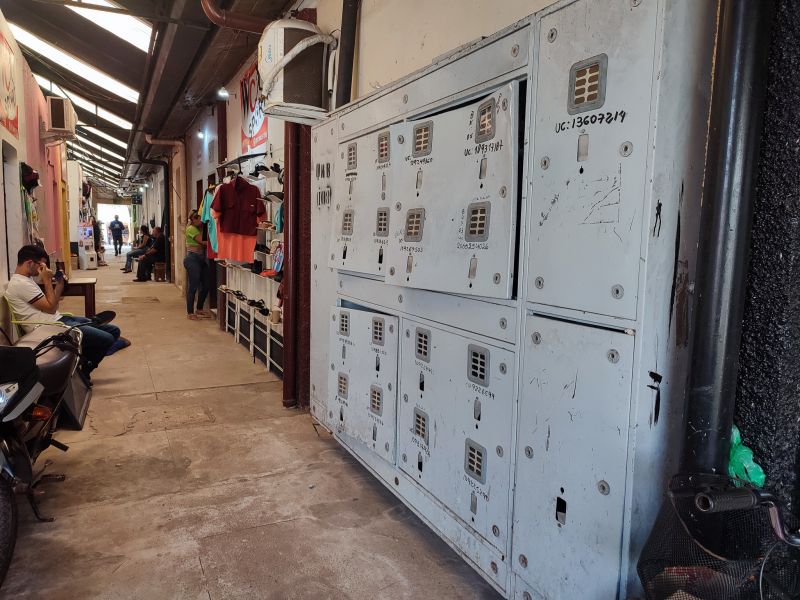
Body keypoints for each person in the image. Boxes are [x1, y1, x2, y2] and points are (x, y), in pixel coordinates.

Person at [5, 245, 127, 381]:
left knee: (114, 330)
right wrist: (46, 280)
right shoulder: (20, 284)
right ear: (30, 263)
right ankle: (85, 369)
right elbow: (51, 308)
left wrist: (59, 285)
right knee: (107, 339)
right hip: (49, 327)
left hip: (58, 320)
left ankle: (88, 345)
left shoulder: (27, 280)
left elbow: (53, 305)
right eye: (41, 265)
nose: (43, 269)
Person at [184, 211, 211, 320]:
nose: (201, 221)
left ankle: (199, 309)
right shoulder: (191, 229)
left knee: (206, 285)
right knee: (193, 286)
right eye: (199, 219)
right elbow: (203, 242)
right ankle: (190, 312)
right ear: (193, 219)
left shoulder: (200, 229)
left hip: (200, 259)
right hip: (192, 259)